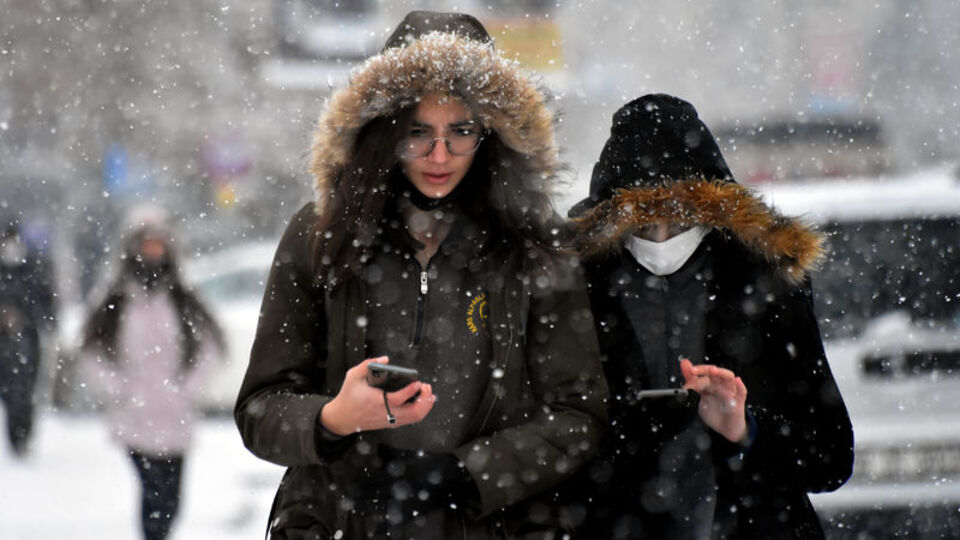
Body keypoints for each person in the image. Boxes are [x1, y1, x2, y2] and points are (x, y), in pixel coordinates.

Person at [234, 10, 608, 540]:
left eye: (461, 132)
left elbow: (577, 415)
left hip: (490, 527)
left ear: (493, 134)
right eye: (417, 133)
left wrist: (467, 474)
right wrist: (333, 418)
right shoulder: (319, 233)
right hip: (341, 523)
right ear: (383, 133)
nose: (439, 155)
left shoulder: (536, 244)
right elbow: (260, 409)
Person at [565, 94, 854, 539]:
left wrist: (744, 429)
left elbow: (830, 458)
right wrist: (619, 436)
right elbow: (545, 454)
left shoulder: (765, 283)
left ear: (712, 214)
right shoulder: (574, 290)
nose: (661, 240)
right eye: (642, 225)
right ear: (612, 223)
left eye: (680, 220)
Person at [80, 214, 223, 540]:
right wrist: (119, 387)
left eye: (160, 245)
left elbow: (212, 347)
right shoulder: (116, 299)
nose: (154, 252)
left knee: (172, 497)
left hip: (174, 416)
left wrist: (187, 388)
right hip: (135, 416)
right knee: (152, 494)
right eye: (148, 245)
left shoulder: (182, 299)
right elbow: (90, 350)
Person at [0, 220, 56, 457]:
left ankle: (21, 436)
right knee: (10, 390)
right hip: (5, 341)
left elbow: (47, 306)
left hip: (26, 341)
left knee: (23, 390)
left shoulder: (33, 269)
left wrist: (24, 317)